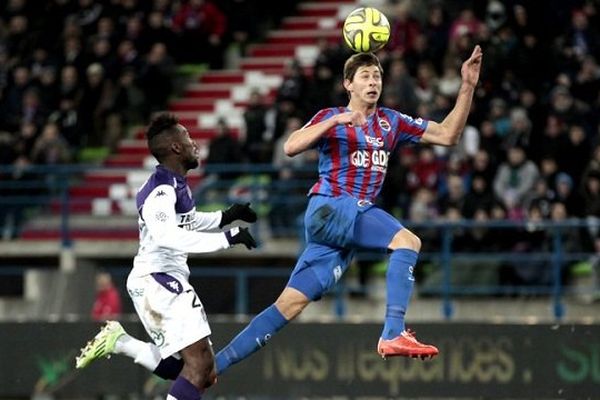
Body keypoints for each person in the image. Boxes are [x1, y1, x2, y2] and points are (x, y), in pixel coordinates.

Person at [214, 45, 483, 373]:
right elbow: (290, 146)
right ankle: (393, 331)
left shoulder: (391, 122)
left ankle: (209, 370)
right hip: (330, 208)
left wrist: (467, 86)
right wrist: (339, 120)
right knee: (407, 241)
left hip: (342, 231)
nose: (373, 82)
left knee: (288, 305)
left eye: (377, 76)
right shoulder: (330, 116)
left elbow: (448, 134)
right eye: (365, 76)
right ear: (348, 84)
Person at [75, 114, 258, 400]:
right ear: (175, 147)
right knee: (199, 366)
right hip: (159, 281)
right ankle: (120, 341)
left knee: (196, 371)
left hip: (160, 281)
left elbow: (188, 220)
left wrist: (226, 216)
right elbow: (168, 236)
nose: (194, 143)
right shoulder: (160, 191)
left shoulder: (175, 183)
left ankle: (120, 341)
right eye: (187, 137)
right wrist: (227, 238)